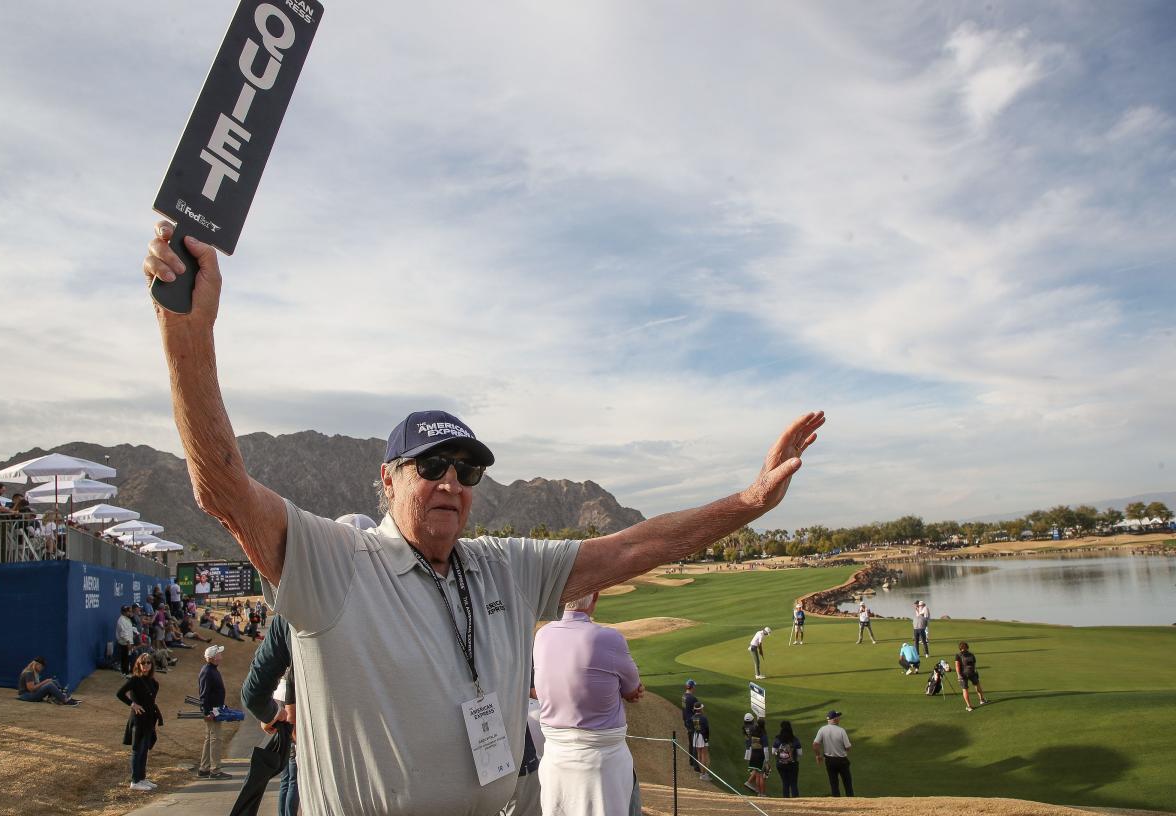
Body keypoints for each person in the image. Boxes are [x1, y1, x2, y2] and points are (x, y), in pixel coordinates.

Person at [142, 218, 824, 816]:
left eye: (466, 472)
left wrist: (751, 501)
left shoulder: (502, 564)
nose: (450, 483)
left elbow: (634, 547)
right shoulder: (338, 563)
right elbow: (224, 491)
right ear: (387, 479)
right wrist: (187, 333)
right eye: (430, 467)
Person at [533, 592, 644, 816]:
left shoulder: (542, 635)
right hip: (604, 765)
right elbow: (633, 688)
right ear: (595, 597)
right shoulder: (609, 639)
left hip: (556, 760)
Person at [241, 615, 297, 816]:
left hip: (335, 782)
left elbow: (254, 694)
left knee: (290, 779)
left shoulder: (292, 610)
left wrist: (272, 714)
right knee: (290, 778)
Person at [117, 652, 164, 791]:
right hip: (138, 719)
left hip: (149, 719)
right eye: (143, 663)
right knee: (137, 749)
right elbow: (119, 693)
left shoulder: (153, 682)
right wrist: (133, 704)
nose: (146, 665)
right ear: (138, 664)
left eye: (148, 662)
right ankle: (135, 780)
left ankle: (142, 777)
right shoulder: (135, 680)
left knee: (145, 750)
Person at [198, 644, 232, 779]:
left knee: (210, 738)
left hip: (215, 709)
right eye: (219, 654)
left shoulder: (212, 669)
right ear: (212, 658)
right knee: (215, 739)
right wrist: (206, 712)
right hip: (212, 711)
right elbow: (204, 695)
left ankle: (204, 767)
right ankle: (215, 770)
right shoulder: (207, 671)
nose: (221, 656)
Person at [813, 710, 853, 797]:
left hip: (829, 761)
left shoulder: (822, 729)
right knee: (847, 783)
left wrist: (818, 755)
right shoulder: (841, 731)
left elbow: (815, 744)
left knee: (834, 783)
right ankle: (851, 800)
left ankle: (836, 800)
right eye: (838, 717)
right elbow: (848, 747)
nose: (839, 718)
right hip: (842, 760)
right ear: (835, 719)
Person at [954, 641, 988, 712]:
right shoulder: (971, 654)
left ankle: (969, 706)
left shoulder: (958, 655)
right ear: (967, 647)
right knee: (977, 685)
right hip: (972, 673)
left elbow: (957, 666)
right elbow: (974, 665)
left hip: (963, 675)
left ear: (960, 648)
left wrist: (958, 675)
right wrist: (975, 672)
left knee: (965, 690)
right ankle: (982, 700)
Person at [771, 720, 801, 798]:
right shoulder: (795, 739)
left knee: (785, 783)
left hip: (780, 764)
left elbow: (773, 752)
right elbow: (800, 753)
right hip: (793, 764)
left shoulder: (777, 739)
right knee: (793, 783)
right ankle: (796, 801)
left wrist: (780, 754)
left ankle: (786, 800)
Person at [741, 713, 768, 795]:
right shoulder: (754, 728)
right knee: (757, 770)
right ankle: (749, 782)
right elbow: (759, 729)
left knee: (755, 769)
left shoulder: (744, 728)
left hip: (749, 748)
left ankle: (756, 787)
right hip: (754, 749)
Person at [681, 679, 699, 771]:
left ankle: (691, 761)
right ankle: (696, 765)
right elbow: (698, 712)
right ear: (692, 687)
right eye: (694, 686)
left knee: (691, 742)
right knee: (695, 743)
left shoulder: (684, 696)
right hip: (692, 722)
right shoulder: (693, 698)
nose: (695, 688)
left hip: (686, 721)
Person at [690, 703, 711, 780]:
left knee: (699, 754)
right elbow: (706, 729)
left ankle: (702, 774)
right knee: (704, 755)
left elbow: (692, 727)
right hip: (702, 736)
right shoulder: (703, 718)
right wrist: (706, 739)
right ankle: (704, 774)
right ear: (700, 709)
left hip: (696, 736)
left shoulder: (693, 717)